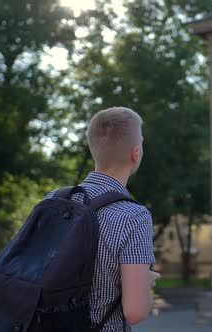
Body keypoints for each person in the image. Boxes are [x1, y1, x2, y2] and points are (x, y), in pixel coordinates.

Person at [45, 106, 160, 331]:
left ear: (94, 148)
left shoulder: (55, 199)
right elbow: (135, 312)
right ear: (135, 153)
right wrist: (146, 284)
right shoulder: (134, 216)